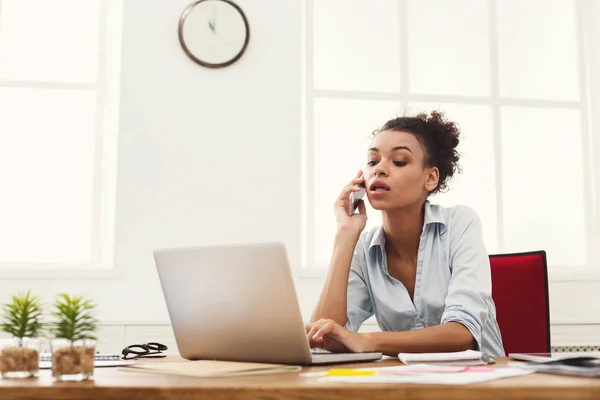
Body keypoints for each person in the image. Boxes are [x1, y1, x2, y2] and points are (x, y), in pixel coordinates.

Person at [306, 110, 505, 358]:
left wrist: (367, 340)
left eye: (398, 161)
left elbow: (462, 333)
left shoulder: (460, 223)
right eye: (372, 161)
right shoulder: (364, 249)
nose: (379, 169)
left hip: (481, 383)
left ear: (430, 177)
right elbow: (321, 337)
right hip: (407, 384)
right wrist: (344, 236)